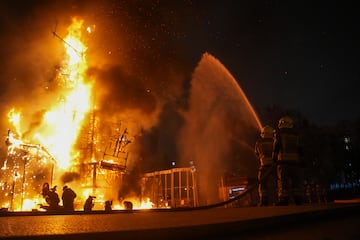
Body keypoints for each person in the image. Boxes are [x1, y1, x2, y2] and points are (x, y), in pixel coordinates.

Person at [273, 116, 304, 205]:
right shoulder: (296, 135)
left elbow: (276, 147)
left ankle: (283, 199)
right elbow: (300, 148)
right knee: (296, 181)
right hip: (295, 163)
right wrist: (302, 159)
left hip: (283, 163)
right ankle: (298, 199)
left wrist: (274, 159)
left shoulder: (279, 134)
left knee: (283, 181)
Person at [254, 125, 277, 206]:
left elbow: (257, 154)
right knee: (278, 183)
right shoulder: (275, 142)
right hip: (274, 166)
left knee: (262, 184)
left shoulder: (259, 143)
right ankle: (278, 200)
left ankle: (263, 201)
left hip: (264, 166)